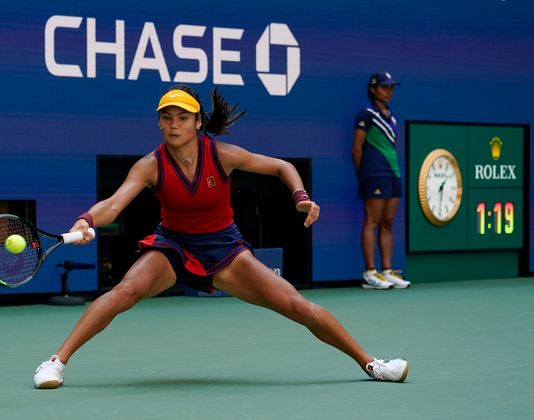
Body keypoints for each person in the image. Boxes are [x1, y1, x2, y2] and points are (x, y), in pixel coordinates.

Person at [34, 85, 409, 389]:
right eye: (166, 118)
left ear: (198, 122)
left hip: (224, 249)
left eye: (182, 117)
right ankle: (55, 363)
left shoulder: (223, 154)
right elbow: (114, 205)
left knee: (297, 306)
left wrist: (301, 197)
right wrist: (86, 220)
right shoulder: (149, 165)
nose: (173, 124)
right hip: (173, 247)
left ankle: (372, 364)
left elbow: (282, 166)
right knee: (124, 292)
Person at [351, 72, 410, 289]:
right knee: (372, 222)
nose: (389, 91)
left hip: (393, 173)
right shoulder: (366, 114)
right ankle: (370, 272)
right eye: (385, 87)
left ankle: (386, 270)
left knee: (387, 223)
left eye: (391, 88)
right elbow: (356, 148)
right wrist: (363, 173)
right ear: (373, 89)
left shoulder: (392, 116)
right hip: (374, 173)